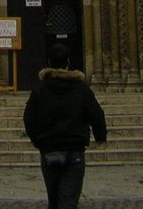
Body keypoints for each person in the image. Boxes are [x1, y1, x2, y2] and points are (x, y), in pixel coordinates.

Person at [23, 43, 107, 209]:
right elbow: (96, 113)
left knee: (53, 199)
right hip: (74, 148)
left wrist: (38, 141)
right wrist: (100, 137)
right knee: (68, 201)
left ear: (48, 62)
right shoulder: (80, 88)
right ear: (68, 62)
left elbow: (29, 117)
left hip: (49, 149)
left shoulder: (40, 89)